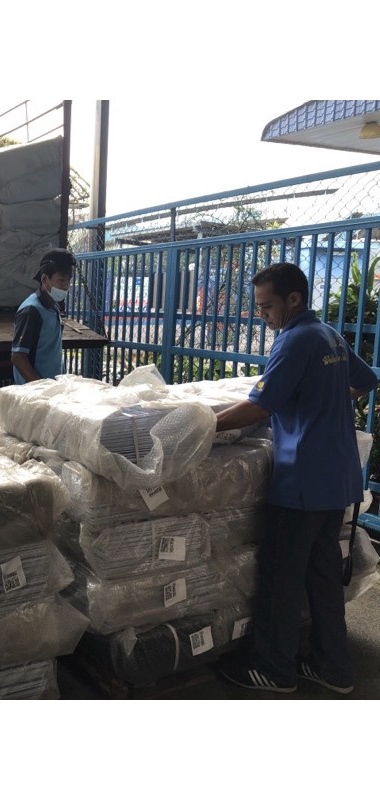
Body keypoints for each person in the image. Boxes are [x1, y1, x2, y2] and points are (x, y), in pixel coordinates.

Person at [216, 262, 377, 695]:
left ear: (294, 299)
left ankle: (273, 668)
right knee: (323, 576)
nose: (262, 316)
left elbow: (259, 406)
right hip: (337, 479)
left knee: (281, 578)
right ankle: (333, 667)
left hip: (302, 482)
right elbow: (365, 380)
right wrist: (325, 399)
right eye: (258, 307)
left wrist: (202, 426)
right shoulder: (329, 335)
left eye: (267, 307)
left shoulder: (294, 339)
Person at [10, 248, 76, 384]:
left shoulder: (53, 306)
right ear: (44, 279)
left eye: (68, 281)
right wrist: (41, 387)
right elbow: (18, 357)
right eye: (61, 280)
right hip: (35, 392)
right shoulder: (31, 310)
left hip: (52, 388)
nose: (66, 286)